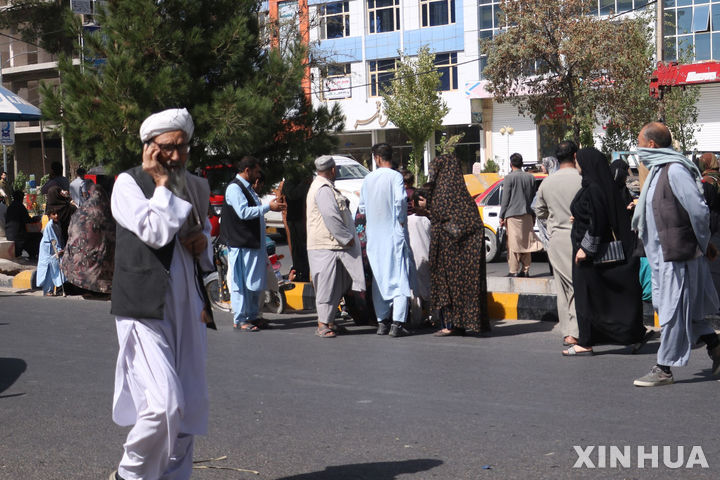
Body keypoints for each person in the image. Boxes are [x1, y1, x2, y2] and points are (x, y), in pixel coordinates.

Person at [109, 108, 215, 480]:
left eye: (182, 147)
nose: (175, 156)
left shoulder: (196, 186)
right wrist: (161, 185)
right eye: (168, 147)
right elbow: (153, 231)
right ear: (149, 147)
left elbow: (204, 246)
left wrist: (204, 243)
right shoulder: (128, 184)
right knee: (164, 404)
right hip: (144, 308)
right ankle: (131, 473)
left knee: (189, 408)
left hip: (188, 304)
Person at [631, 122, 720, 386]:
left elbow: (698, 210)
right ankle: (715, 346)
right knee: (683, 309)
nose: (637, 148)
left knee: (672, 310)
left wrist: (704, 243)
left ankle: (664, 368)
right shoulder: (659, 170)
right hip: (662, 255)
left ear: (651, 145)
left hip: (677, 254)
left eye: (639, 142)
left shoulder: (676, 169)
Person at [563, 147, 647, 357]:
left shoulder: (593, 188)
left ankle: (586, 342)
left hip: (588, 255)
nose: (577, 164)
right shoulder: (594, 186)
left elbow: (599, 222)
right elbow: (594, 214)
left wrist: (585, 249)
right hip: (591, 253)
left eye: (579, 161)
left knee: (586, 295)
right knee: (601, 296)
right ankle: (632, 335)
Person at [220, 155, 285, 331]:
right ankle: (241, 319)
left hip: (252, 243)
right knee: (241, 283)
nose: (258, 175)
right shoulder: (235, 188)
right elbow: (243, 212)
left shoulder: (247, 189)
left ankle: (253, 316)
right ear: (247, 170)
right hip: (241, 244)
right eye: (256, 171)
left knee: (253, 282)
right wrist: (268, 208)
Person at [427, 154, 490, 337]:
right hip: (467, 252)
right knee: (467, 287)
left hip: (447, 251)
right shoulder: (462, 194)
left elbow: (438, 214)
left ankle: (450, 325)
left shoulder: (441, 192)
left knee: (447, 286)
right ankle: (468, 321)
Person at [306, 155, 365, 338]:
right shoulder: (323, 189)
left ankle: (330, 321)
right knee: (326, 285)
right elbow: (331, 216)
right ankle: (323, 324)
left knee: (339, 283)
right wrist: (347, 238)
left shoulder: (325, 186)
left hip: (334, 246)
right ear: (332, 170)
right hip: (327, 245)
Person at [359, 143, 413, 337]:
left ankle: (383, 321)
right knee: (399, 277)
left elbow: (362, 207)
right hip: (393, 236)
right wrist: (400, 221)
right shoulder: (396, 177)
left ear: (377, 158)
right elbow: (400, 201)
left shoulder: (368, 178)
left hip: (374, 237)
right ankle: (397, 323)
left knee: (380, 278)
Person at [534, 141, 582, 347]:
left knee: (563, 289)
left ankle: (568, 332)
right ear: (575, 156)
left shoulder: (547, 183)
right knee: (580, 286)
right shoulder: (582, 179)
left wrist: (553, 220)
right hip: (580, 239)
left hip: (557, 239)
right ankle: (579, 329)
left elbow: (539, 210)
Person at [61, 183, 116, 294]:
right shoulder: (111, 212)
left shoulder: (80, 210)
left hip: (76, 272)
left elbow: (70, 234)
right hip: (103, 276)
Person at [499, 152, 543, 277]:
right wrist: (533, 215)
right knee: (526, 242)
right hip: (528, 214)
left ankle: (513, 270)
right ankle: (525, 270)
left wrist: (501, 216)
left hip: (513, 214)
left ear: (511, 164)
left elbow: (505, 199)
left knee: (513, 244)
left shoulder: (509, 178)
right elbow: (533, 198)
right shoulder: (530, 178)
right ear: (522, 164)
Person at [281, 174, 312, 282]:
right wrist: (304, 183)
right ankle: (300, 272)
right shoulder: (290, 181)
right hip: (295, 219)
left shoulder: (305, 181)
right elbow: (292, 194)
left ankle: (305, 271)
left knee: (304, 248)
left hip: (303, 218)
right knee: (298, 248)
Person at [36, 208, 65, 296]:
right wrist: (58, 249)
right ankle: (48, 290)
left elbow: (59, 238)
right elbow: (53, 239)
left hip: (53, 249)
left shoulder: (57, 224)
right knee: (48, 270)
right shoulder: (50, 226)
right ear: (49, 216)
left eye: (57, 214)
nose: (56, 216)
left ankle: (54, 289)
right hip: (48, 250)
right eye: (53, 214)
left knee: (54, 269)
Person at [4, 190, 41, 259]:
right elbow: (28, 220)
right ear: (21, 198)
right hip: (19, 235)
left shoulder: (10, 207)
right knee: (38, 235)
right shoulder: (20, 206)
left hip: (9, 234)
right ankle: (33, 254)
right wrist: (35, 218)